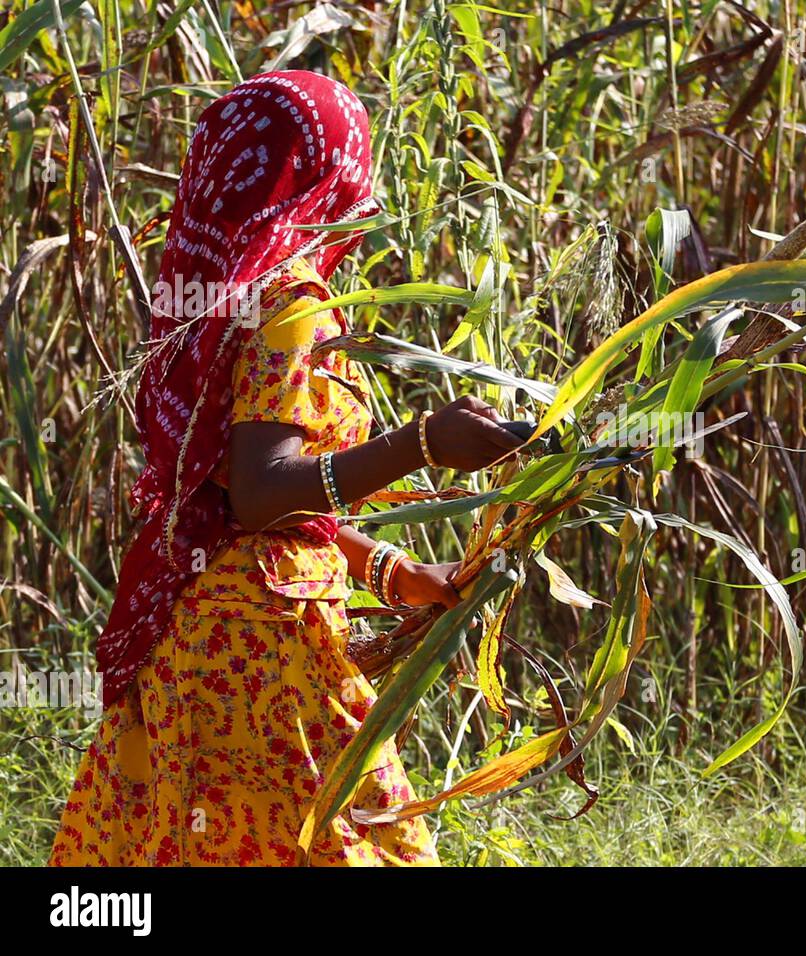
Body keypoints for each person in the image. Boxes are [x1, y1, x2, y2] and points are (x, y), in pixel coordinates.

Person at [48, 70, 524, 866]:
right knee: (362, 846)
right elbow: (266, 494)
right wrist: (424, 444)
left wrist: (382, 566)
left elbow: (229, 499)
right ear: (323, 174)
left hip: (195, 638)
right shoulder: (290, 301)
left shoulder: (208, 298)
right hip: (266, 660)